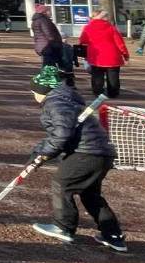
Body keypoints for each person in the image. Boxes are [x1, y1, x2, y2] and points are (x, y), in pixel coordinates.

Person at [27, 66, 126, 252]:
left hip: (87, 153)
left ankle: (63, 227)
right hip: (102, 153)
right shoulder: (67, 100)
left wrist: (45, 154)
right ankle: (113, 235)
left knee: (62, 184)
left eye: (34, 91)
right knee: (90, 194)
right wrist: (37, 153)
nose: (33, 96)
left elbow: (61, 134)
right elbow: (59, 134)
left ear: (43, 90)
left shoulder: (56, 103)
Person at [79, 10, 128, 97]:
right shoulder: (111, 27)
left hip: (96, 56)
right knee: (113, 76)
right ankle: (113, 93)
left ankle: (98, 92)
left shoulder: (88, 27)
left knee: (97, 76)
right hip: (112, 55)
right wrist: (125, 54)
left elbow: (83, 40)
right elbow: (119, 42)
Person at [31, 3, 65, 69]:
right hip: (48, 46)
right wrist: (57, 42)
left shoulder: (36, 20)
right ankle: (50, 78)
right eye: (49, 11)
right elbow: (49, 33)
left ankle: (48, 77)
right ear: (44, 12)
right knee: (50, 65)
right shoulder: (44, 20)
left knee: (47, 64)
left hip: (42, 45)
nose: (51, 12)